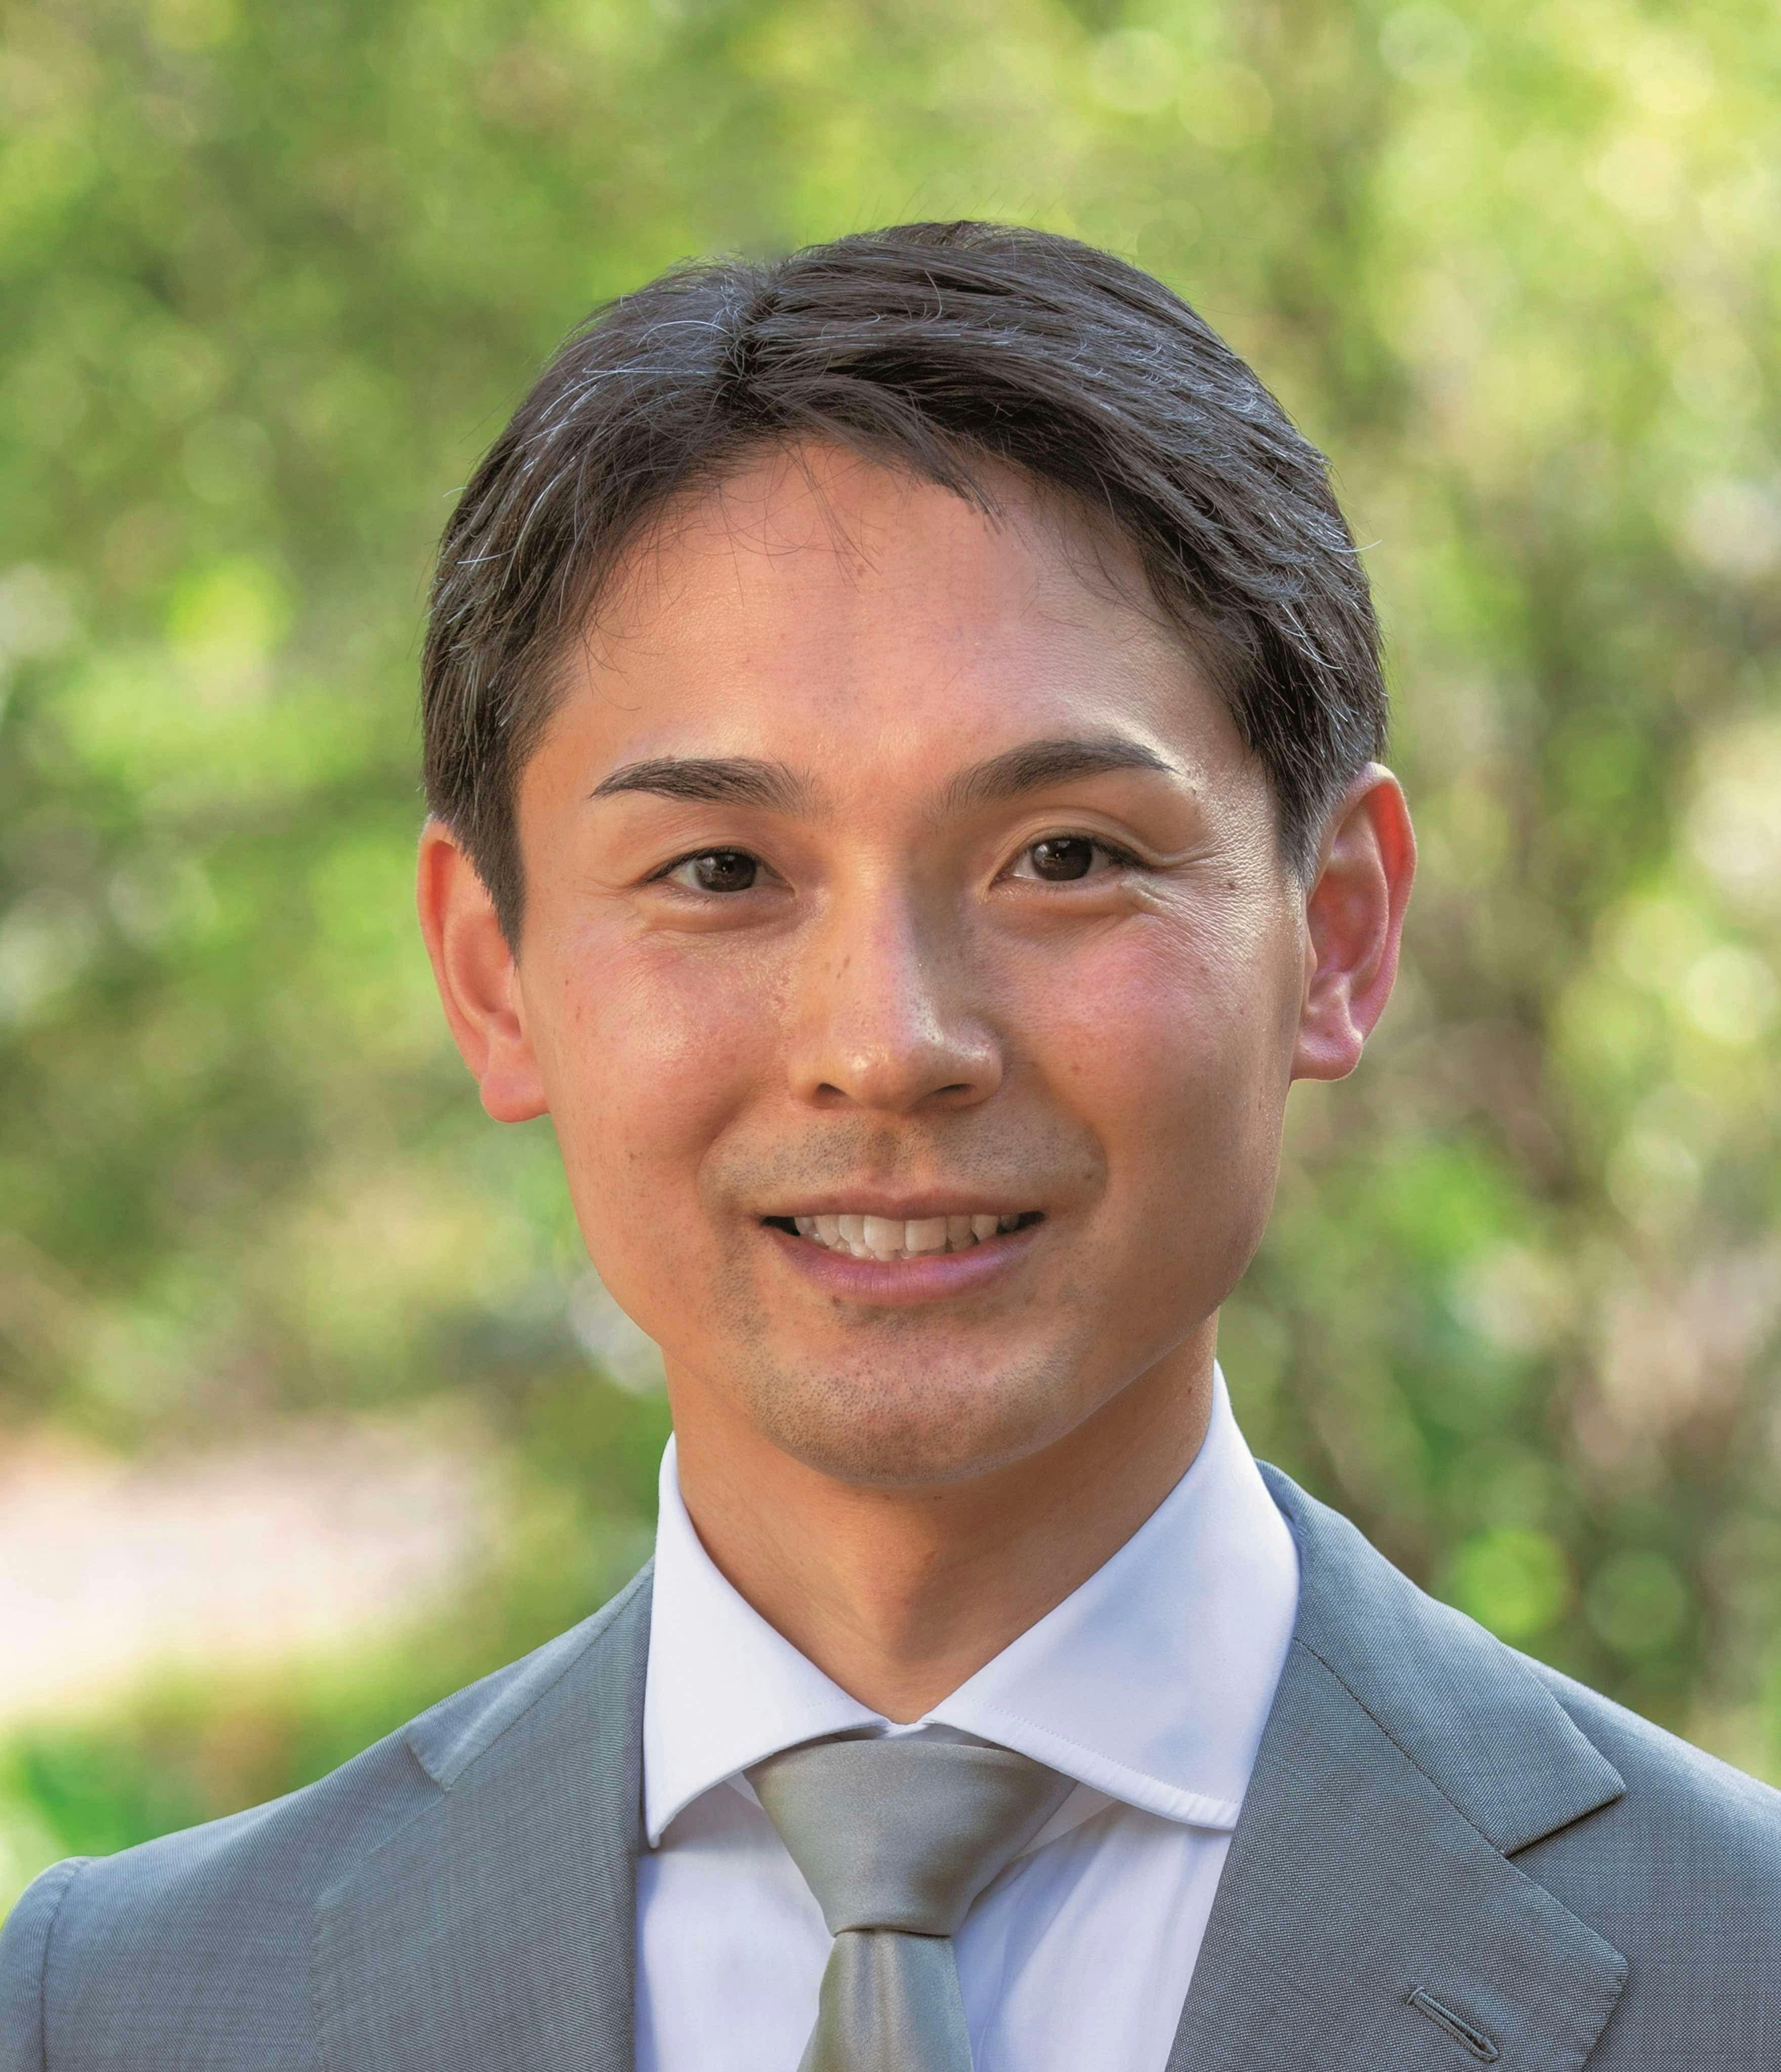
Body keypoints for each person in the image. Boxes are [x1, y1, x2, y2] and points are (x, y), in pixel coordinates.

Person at [3, 222, 1777, 2072]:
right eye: (719, 872)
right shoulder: (121, 2012)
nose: (890, 1044)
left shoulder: (1742, 1966)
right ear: (492, 974)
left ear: (1335, 933)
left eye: (1065, 857)